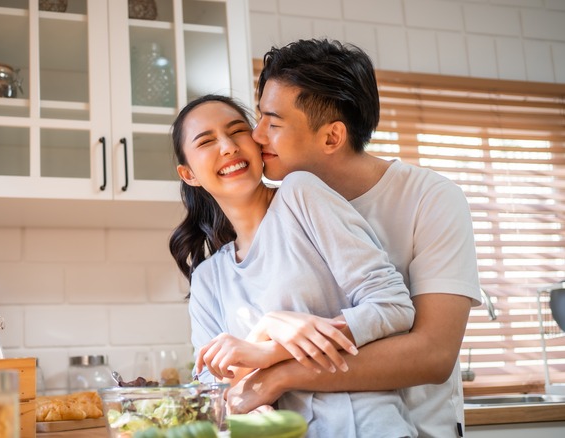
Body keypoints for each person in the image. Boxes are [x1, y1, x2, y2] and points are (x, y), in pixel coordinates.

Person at [226, 38, 481, 438]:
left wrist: (281, 374)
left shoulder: (431, 198)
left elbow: (433, 354)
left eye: (273, 123)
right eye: (260, 118)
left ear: (331, 137)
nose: (256, 136)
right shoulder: (276, 210)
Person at [168, 94, 417, 437]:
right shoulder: (209, 279)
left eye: (237, 131)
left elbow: (393, 307)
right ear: (189, 174)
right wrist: (264, 331)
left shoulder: (300, 195)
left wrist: (270, 350)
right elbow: (217, 399)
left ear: (257, 142)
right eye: (207, 141)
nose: (227, 147)